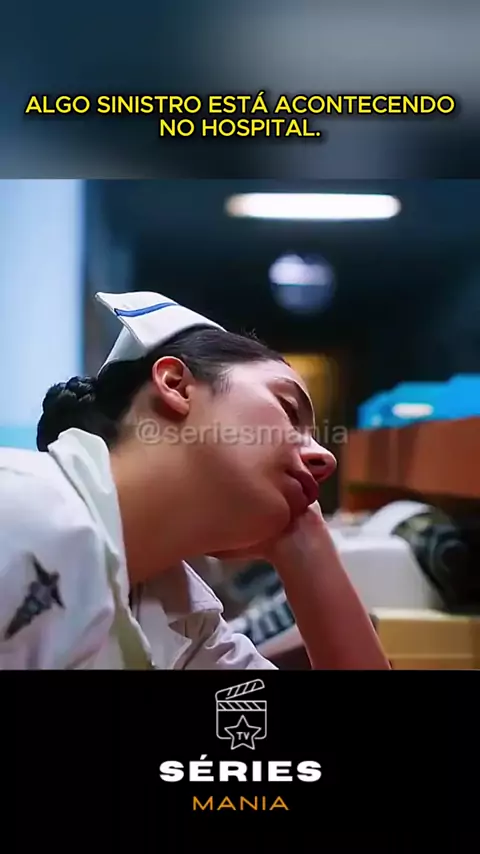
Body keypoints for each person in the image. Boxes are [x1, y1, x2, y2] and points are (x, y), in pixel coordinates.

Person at [0, 291, 389, 670]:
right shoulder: (19, 509)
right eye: (288, 409)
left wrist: (306, 544)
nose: (326, 458)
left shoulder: (183, 622)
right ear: (175, 384)